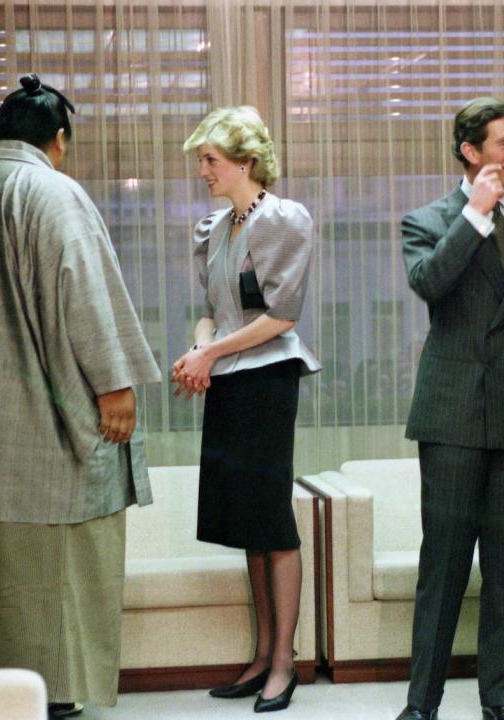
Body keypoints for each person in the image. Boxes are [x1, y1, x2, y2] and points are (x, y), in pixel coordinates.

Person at [0, 74, 160, 717]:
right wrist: (116, 388)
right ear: (59, 141)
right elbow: (81, 291)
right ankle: (50, 693)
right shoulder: (52, 192)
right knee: (51, 581)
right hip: (39, 437)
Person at [395, 96, 504, 720]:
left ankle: (502, 702)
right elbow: (430, 285)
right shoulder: (426, 220)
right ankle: (422, 706)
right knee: (441, 569)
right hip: (451, 420)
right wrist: (472, 216)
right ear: (471, 152)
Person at [172, 106, 320, 713]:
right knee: (246, 526)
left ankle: (283, 660)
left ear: (246, 163)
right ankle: (261, 656)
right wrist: (199, 348)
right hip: (230, 376)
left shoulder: (285, 219)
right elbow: (212, 307)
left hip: (266, 378)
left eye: (210, 160)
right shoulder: (212, 226)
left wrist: (211, 355)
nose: (202, 170)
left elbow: (281, 317)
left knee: (270, 519)